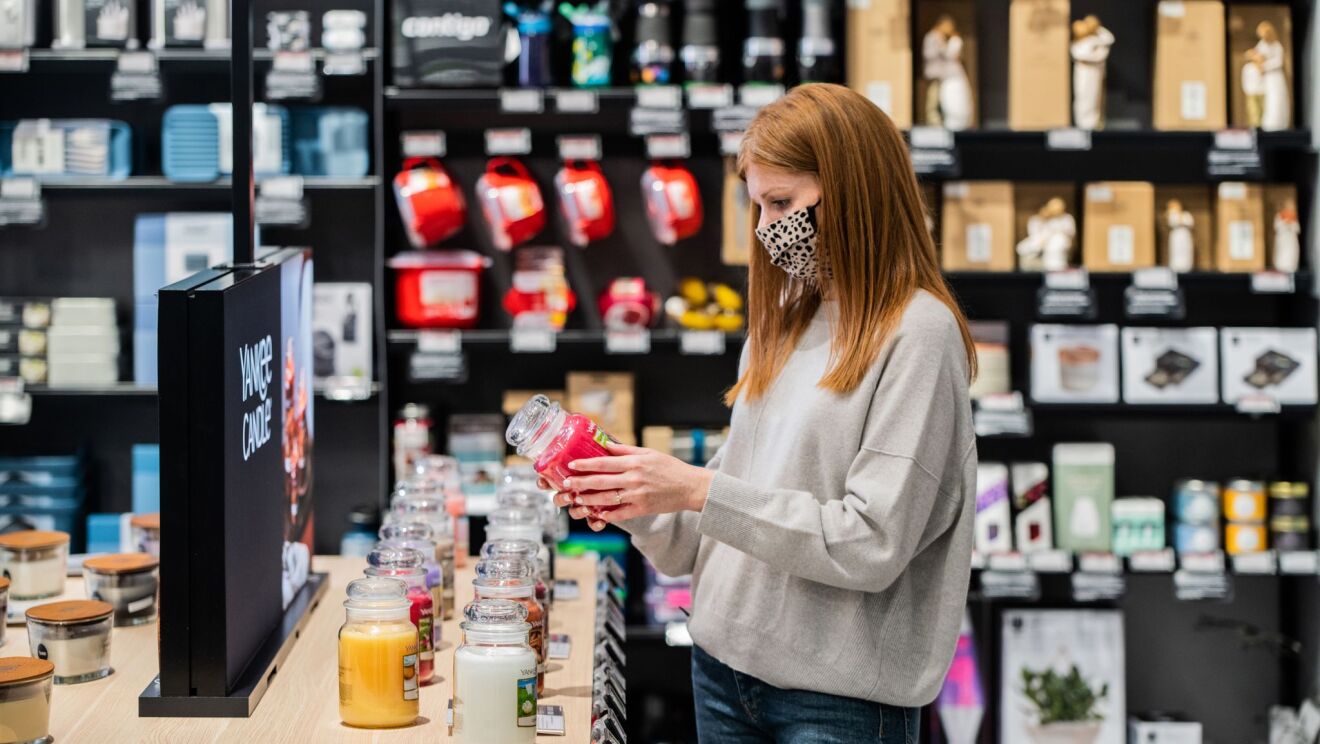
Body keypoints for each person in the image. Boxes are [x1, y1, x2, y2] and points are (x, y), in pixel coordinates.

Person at [550, 83, 979, 743]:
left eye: (782, 203)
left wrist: (697, 488)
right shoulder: (783, 325)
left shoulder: (919, 335)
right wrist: (632, 500)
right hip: (722, 674)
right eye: (758, 205)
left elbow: (870, 544)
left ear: (853, 193)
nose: (765, 228)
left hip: (838, 704)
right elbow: (708, 538)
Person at [922, 14, 971, 130]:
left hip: (942, 74)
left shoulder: (942, 38)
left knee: (940, 98)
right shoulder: (933, 36)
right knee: (933, 98)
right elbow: (930, 54)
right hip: (935, 73)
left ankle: (938, 121)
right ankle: (933, 121)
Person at [1071, 15, 1114, 130]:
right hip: (1084, 73)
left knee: (1094, 98)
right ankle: (1083, 124)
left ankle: (1093, 124)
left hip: (1095, 73)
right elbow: (1079, 54)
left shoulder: (1094, 40)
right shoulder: (1082, 43)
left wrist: (1097, 28)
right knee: (1083, 97)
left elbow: (1109, 38)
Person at [1253, 21, 1289, 131]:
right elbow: (1256, 55)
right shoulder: (1261, 45)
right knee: (1269, 100)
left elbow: (1278, 62)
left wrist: (1264, 66)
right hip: (1267, 77)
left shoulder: (1277, 45)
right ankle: (1269, 123)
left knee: (1277, 99)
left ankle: (1279, 123)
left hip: (1275, 76)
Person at [1165, 199, 1195, 273]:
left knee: (1185, 250)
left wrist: (1180, 219)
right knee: (1176, 251)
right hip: (1176, 236)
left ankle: (1186, 267)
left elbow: (1190, 222)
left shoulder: (1186, 214)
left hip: (1184, 236)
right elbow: (1172, 222)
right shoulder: (1172, 215)